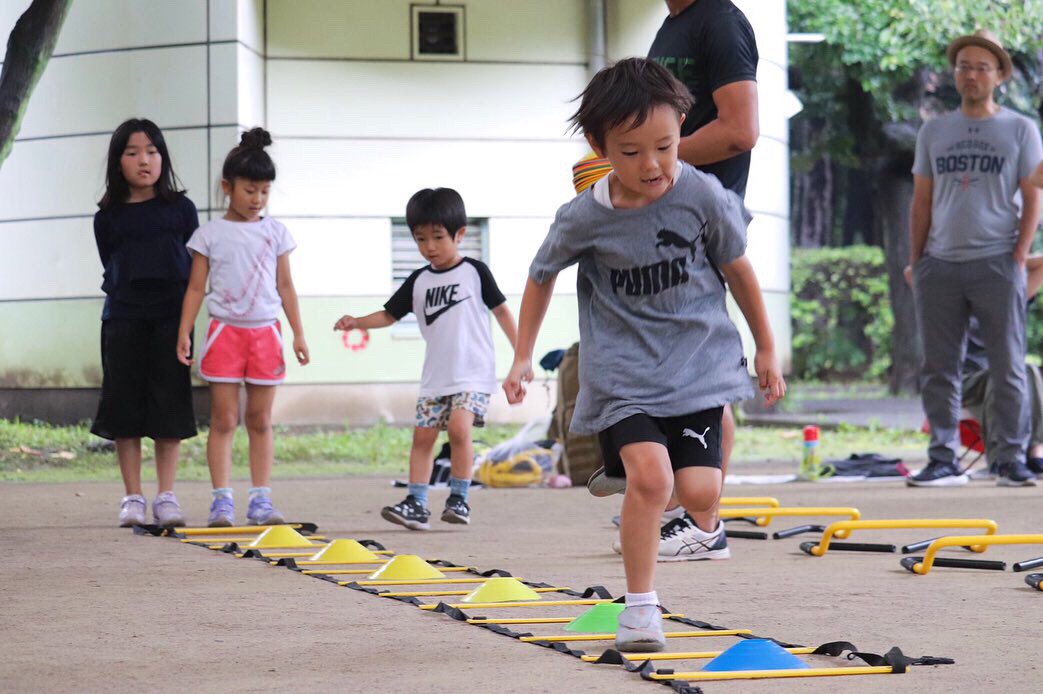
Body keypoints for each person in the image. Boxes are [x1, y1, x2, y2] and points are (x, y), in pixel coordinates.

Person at [504, 58, 784, 651]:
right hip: (624, 372)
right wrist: (522, 355)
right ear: (599, 145)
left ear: (682, 124)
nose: (652, 165)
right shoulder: (584, 217)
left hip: (697, 366)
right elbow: (539, 276)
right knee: (653, 483)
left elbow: (738, 269)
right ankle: (640, 606)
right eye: (630, 153)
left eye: (664, 146)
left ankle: (664, 494)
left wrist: (765, 346)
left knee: (701, 492)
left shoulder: (703, 195)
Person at [585, 0, 761, 556]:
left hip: (699, 221)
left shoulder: (720, 21)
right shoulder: (672, 24)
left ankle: (702, 522)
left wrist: (644, 157)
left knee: (704, 372)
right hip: (654, 215)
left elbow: (740, 130)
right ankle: (656, 490)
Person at [334, 188, 517, 530]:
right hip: (436, 377)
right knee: (422, 438)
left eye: (437, 237)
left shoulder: (475, 272)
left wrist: (521, 357)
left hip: (473, 373)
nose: (429, 247)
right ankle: (416, 504)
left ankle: (459, 498)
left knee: (459, 429)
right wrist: (357, 321)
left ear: (460, 234)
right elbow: (389, 315)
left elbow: (503, 312)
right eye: (420, 239)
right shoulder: (418, 280)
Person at [908, 30, 1042, 487]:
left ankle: (1008, 458)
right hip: (939, 265)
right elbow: (921, 199)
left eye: (982, 67)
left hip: (997, 261)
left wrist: (1019, 255)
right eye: (964, 65)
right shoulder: (934, 130)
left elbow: (1033, 194)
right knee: (939, 368)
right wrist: (917, 260)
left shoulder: (1020, 129)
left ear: (999, 76)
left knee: (1008, 365)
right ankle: (942, 457)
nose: (971, 74)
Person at [177, 128, 310, 526]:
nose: (258, 200)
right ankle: (221, 501)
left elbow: (285, 285)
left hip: (265, 334)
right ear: (227, 187)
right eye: (250, 191)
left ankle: (261, 501)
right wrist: (184, 331)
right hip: (225, 334)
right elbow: (196, 287)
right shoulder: (209, 234)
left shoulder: (275, 232)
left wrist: (298, 333)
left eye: (265, 192)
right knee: (223, 420)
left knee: (260, 420)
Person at [91, 118, 199, 528]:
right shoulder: (108, 217)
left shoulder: (181, 210)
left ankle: (166, 497)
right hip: (123, 318)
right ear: (118, 162)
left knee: (169, 405)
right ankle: (132, 497)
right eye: (133, 152)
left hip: (172, 319)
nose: (144, 160)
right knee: (124, 407)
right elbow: (110, 263)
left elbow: (194, 273)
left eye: (152, 151)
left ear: (163, 157)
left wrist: (186, 327)